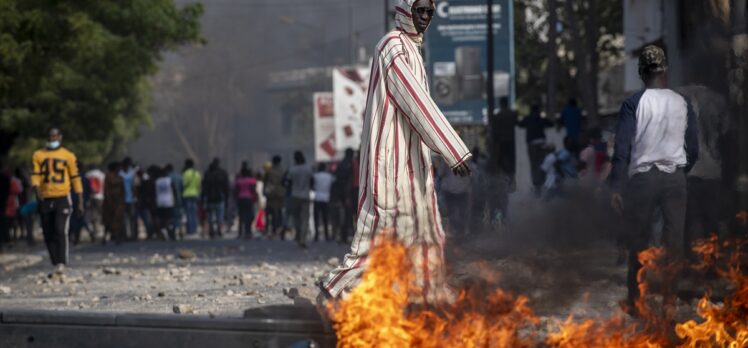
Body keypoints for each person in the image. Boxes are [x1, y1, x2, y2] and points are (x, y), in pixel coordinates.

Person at [320, 0, 472, 304]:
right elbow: (416, 103)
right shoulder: (393, 46)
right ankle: (331, 293)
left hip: (413, 167)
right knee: (376, 242)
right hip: (389, 165)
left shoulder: (411, 48)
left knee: (427, 235)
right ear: (404, 11)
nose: (426, 17)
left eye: (429, 11)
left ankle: (430, 299)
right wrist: (454, 150)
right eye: (420, 11)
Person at [609, 45, 699, 313]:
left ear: (641, 73)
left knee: (639, 241)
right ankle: (670, 301)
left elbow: (622, 149)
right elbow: (693, 148)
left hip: (643, 181)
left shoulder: (633, 104)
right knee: (674, 243)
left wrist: (616, 185)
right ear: (665, 72)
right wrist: (682, 170)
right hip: (675, 179)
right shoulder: (682, 102)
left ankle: (636, 301)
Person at [31, 128, 85, 268]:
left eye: (55, 137)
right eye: (50, 137)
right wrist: (37, 190)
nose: (52, 139)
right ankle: (55, 262)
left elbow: (75, 178)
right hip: (45, 197)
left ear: (60, 137)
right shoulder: (38, 155)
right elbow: (35, 175)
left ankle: (62, 263)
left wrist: (80, 201)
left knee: (60, 230)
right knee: (48, 232)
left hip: (62, 197)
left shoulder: (68, 155)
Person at [518, 104, 554, 196]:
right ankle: (544, 184)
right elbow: (551, 124)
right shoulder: (541, 118)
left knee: (534, 165)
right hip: (542, 143)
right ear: (538, 111)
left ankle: (537, 187)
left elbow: (519, 124)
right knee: (542, 163)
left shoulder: (528, 118)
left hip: (532, 144)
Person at [286, 151, 313, 248]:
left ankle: (298, 235)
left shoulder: (292, 169)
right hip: (305, 195)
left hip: (295, 195)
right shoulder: (308, 168)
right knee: (305, 218)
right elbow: (312, 181)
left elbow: (287, 182)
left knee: (296, 218)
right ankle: (303, 239)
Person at [332, 149, 357, 244]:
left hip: (341, 194)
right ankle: (347, 236)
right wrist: (348, 196)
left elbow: (336, 179)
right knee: (349, 216)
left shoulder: (341, 164)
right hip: (350, 193)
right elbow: (349, 181)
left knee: (345, 216)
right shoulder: (351, 164)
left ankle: (344, 236)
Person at [202, 158, 229, 239]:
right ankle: (219, 230)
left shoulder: (207, 173)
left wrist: (203, 197)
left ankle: (211, 230)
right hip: (219, 197)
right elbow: (226, 186)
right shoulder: (222, 173)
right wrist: (226, 196)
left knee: (210, 216)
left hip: (209, 198)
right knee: (219, 216)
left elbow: (204, 186)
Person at [69, 162, 95, 244]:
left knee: (74, 220)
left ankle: (74, 236)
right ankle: (80, 235)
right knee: (81, 220)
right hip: (82, 202)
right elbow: (89, 191)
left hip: (73, 201)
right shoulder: (84, 178)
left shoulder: (71, 178)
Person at [491, 97, 517, 178]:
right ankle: (511, 175)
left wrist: (495, 143)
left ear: (501, 104)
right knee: (512, 159)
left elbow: (495, 130)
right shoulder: (512, 114)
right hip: (511, 140)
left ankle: (502, 176)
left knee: (500, 159)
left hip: (502, 140)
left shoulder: (498, 115)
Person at [263, 156, 287, 239]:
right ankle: (279, 229)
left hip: (271, 194)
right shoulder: (283, 171)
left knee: (270, 213)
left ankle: (271, 230)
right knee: (279, 212)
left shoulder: (269, 171)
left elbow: (265, 183)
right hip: (281, 194)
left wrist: (264, 193)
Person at [102, 162, 126, 244]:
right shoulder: (109, 176)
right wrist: (109, 201)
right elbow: (106, 190)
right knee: (108, 220)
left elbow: (123, 190)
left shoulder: (120, 177)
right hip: (110, 202)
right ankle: (105, 238)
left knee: (118, 220)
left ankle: (117, 238)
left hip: (118, 202)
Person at [235, 162, 257, 239]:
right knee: (250, 215)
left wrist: (236, 198)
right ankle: (248, 231)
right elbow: (253, 190)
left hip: (240, 199)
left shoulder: (239, 181)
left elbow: (236, 191)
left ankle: (240, 232)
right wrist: (255, 197)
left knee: (241, 216)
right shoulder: (251, 181)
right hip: (249, 199)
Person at [313, 163, 335, 242]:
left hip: (317, 197)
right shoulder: (329, 176)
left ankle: (316, 235)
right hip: (326, 198)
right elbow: (333, 185)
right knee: (325, 218)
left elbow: (313, 186)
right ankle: (327, 235)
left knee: (316, 218)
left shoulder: (316, 176)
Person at [154, 166, 177, 240]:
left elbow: (154, 193)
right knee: (170, 218)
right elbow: (174, 190)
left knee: (162, 219)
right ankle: (171, 231)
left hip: (160, 202)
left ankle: (163, 230)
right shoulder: (169, 180)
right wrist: (175, 200)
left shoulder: (157, 181)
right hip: (169, 202)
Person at [119, 157, 138, 240]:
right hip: (124, 199)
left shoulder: (131, 173)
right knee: (125, 218)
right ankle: (125, 235)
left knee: (131, 218)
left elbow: (135, 186)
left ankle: (133, 235)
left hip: (130, 199)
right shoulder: (121, 173)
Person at [182, 159, 201, 236]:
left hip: (187, 194)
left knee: (189, 213)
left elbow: (184, 184)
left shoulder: (186, 173)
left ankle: (190, 230)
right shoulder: (197, 173)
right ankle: (195, 228)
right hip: (195, 194)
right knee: (194, 213)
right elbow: (198, 185)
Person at [85, 166, 105, 236]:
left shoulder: (87, 175)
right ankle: (101, 229)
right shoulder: (101, 174)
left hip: (91, 197)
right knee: (101, 213)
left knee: (93, 213)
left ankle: (96, 229)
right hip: (100, 197)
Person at [165, 164, 184, 239]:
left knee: (172, 217)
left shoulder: (167, 177)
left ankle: (174, 232)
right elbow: (182, 188)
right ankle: (180, 230)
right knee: (179, 216)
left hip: (170, 200)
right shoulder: (179, 176)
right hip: (179, 199)